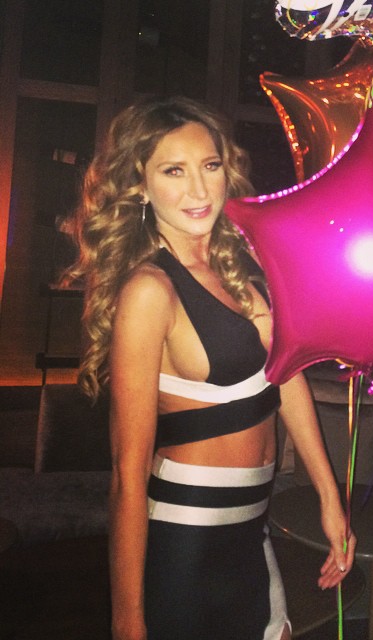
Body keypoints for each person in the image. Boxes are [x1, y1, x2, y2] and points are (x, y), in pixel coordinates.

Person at [65, 95, 356, 640]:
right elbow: (128, 473)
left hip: (252, 528)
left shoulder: (241, 265)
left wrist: (329, 496)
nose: (199, 190)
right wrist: (127, 619)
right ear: (140, 184)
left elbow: (287, 379)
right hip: (186, 538)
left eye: (210, 165)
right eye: (173, 171)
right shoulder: (150, 291)